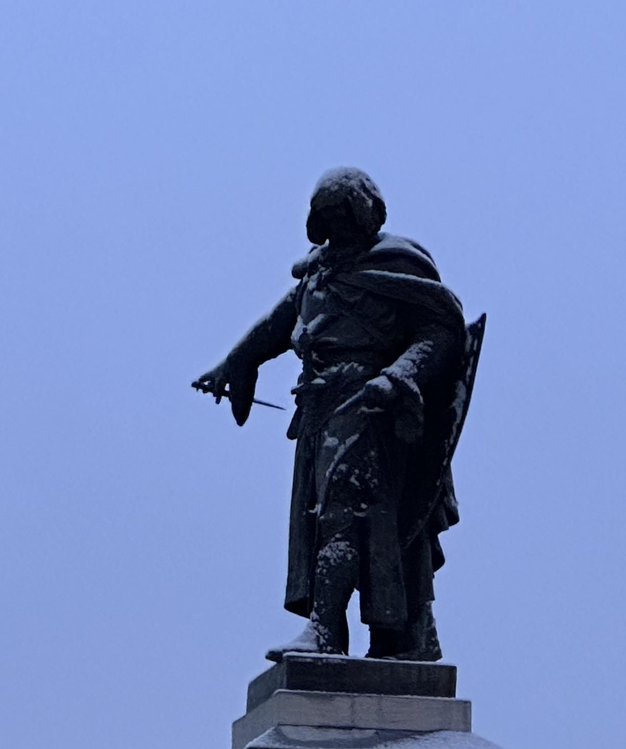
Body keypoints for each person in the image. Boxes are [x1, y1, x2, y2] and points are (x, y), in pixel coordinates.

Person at [194, 168, 480, 661]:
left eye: (344, 216)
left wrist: (398, 376)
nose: (338, 228)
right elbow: (276, 328)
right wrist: (235, 363)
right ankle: (381, 637)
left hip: (372, 407)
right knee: (325, 516)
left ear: (366, 213)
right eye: (328, 220)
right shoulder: (319, 273)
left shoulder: (397, 265)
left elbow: (442, 332)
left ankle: (326, 631)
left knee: (342, 514)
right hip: (320, 407)